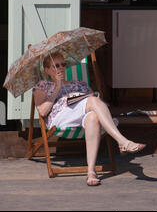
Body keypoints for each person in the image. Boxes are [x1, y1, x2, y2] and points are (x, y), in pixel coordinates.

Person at [33, 51, 146, 186]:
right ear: (46, 70)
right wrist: (57, 86)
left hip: (82, 112)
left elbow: (93, 100)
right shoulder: (43, 85)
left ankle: (91, 171)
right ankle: (122, 141)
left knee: (93, 117)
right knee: (92, 101)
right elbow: (43, 111)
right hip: (61, 117)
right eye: (56, 66)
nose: (61, 68)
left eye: (63, 64)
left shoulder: (79, 83)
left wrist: (92, 98)